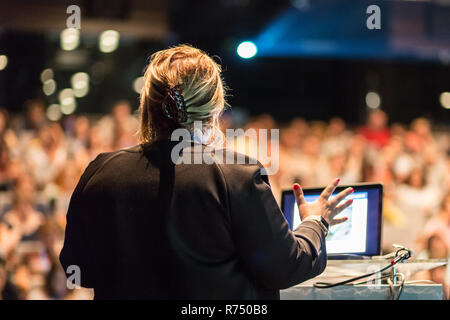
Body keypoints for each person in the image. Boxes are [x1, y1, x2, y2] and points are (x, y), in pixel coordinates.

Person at [60, 44, 353, 299]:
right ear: (215, 109)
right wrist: (316, 222)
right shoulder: (237, 176)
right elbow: (285, 267)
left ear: (147, 106)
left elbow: (79, 271)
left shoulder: (100, 171)